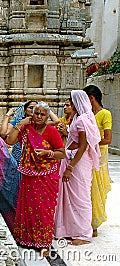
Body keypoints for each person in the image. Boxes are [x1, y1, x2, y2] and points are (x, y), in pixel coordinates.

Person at [5, 102, 65, 253]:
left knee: (44, 208)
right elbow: (10, 141)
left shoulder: (51, 131)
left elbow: (61, 153)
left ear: (46, 117)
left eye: (42, 114)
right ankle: (26, 239)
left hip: (47, 176)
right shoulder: (26, 128)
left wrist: (48, 153)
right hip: (29, 175)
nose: (38, 116)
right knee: (28, 207)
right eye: (36, 113)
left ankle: (43, 241)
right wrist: (19, 124)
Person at [54, 90, 101, 245]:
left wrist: (71, 167)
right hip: (71, 157)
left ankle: (83, 233)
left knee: (81, 197)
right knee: (69, 197)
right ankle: (69, 229)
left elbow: (83, 146)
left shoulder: (83, 120)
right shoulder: (76, 118)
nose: (69, 104)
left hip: (78, 162)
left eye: (71, 101)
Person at [83, 85, 112, 237]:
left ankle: (94, 224)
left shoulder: (104, 114)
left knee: (96, 189)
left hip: (99, 157)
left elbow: (107, 139)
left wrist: (90, 141)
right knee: (85, 189)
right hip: (86, 155)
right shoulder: (87, 115)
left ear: (91, 98)